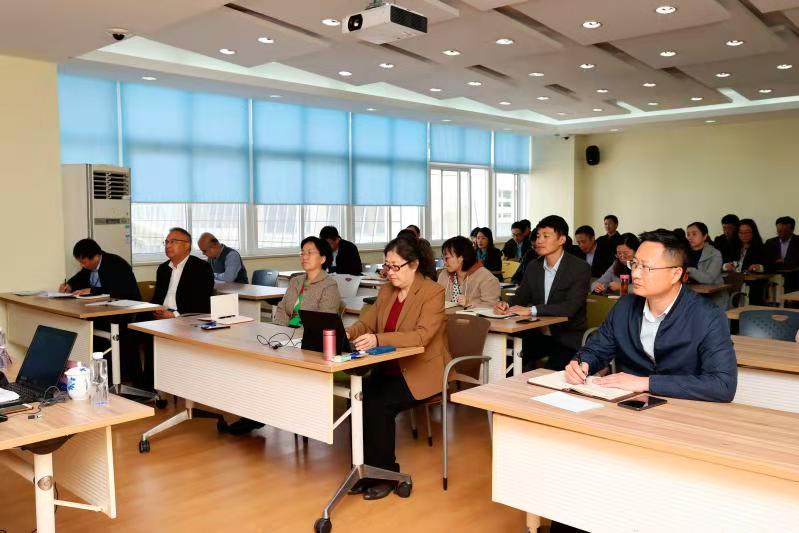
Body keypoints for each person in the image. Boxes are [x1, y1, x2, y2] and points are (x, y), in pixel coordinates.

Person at [566, 229, 737, 403]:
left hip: (684, 409)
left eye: (646, 267)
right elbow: (596, 349)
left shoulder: (708, 316)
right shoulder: (624, 307)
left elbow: (722, 385)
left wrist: (646, 383)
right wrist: (582, 363)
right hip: (630, 406)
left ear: (675, 274)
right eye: (634, 264)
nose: (635, 274)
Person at [346, 237, 450, 500]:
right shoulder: (386, 291)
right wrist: (346, 332)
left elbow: (421, 336)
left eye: (395, 266)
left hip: (419, 372)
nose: (389, 272)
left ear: (414, 264)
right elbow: (366, 324)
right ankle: (364, 471)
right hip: (387, 368)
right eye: (386, 266)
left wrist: (379, 339)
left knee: (377, 403)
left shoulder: (433, 292)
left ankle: (385, 474)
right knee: (357, 398)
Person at [226, 236, 342, 436]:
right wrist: (279, 332)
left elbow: (323, 322)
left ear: (323, 258)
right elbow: (281, 309)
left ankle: (257, 417)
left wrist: (291, 336)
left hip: (309, 342)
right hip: (287, 336)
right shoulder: (296, 281)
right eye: (302, 252)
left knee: (268, 367)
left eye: (310, 253)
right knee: (252, 359)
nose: (304, 256)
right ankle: (252, 414)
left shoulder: (329, 286)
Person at [494, 215, 591, 371]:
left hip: (567, 337)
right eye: (538, 236)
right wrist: (505, 305)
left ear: (562, 240)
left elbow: (570, 307)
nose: (539, 241)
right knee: (504, 362)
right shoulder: (534, 266)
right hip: (537, 334)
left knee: (548, 373)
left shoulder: (579, 268)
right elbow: (521, 296)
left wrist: (531, 310)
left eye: (546, 236)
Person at [151, 227, 215, 317]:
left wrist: (175, 315)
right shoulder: (163, 268)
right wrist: (154, 310)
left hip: (185, 317)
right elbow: (157, 298)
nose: (168, 246)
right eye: (166, 242)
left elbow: (201, 302)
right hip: (161, 314)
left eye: (173, 242)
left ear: (187, 246)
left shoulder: (201, 268)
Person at [60, 238, 140, 300]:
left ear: (96, 257)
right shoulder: (89, 267)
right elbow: (79, 278)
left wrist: (91, 291)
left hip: (127, 308)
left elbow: (117, 290)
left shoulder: (116, 264)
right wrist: (69, 285)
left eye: (83, 262)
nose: (82, 265)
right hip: (100, 306)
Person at [438, 236, 500, 309]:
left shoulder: (486, 278)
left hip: (474, 316)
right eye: (443, 258)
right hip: (446, 315)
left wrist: (469, 303)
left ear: (461, 257)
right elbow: (437, 299)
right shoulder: (444, 275)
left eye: (447, 258)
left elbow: (493, 307)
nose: (444, 262)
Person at [722, 218, 771, 304]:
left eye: (747, 232)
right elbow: (721, 262)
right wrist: (726, 266)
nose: (744, 235)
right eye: (741, 232)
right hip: (732, 282)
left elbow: (770, 266)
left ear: (753, 232)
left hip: (752, 285)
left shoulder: (761, 248)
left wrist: (759, 267)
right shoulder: (731, 246)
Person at [686, 222, 727, 309]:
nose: (690, 237)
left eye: (694, 234)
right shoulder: (684, 253)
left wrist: (689, 270)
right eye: (688, 234)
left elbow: (709, 279)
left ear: (704, 236)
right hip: (690, 296)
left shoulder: (715, 254)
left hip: (713, 298)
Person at [766, 216, 799, 292]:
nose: (782, 234)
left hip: (795, 278)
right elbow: (766, 259)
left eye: (785, 231)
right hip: (774, 278)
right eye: (779, 231)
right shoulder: (770, 242)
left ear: (792, 230)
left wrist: (785, 260)